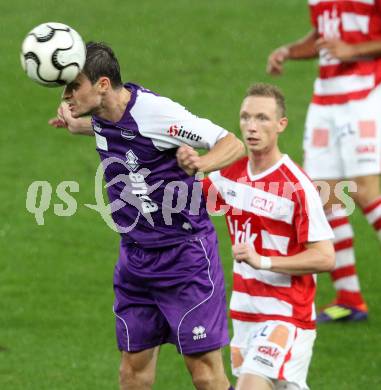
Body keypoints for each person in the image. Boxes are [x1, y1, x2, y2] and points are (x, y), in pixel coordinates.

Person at [48, 41, 245, 390]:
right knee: (132, 373)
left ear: (103, 85)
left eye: (74, 87)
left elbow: (230, 143)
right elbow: (92, 126)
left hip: (184, 256)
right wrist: (71, 117)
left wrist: (201, 163)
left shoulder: (156, 114)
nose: (67, 96)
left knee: (204, 373)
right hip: (135, 258)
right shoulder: (100, 116)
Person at [191, 83, 334, 389]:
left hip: (285, 315)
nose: (251, 127)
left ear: (281, 124)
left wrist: (264, 261)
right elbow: (188, 200)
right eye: (245, 118)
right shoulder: (229, 174)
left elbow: (325, 256)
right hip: (244, 317)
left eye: (262, 118)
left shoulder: (296, 186)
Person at [266, 0, 381, 322]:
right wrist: (289, 50)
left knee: (364, 189)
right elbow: (325, 34)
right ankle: (350, 299)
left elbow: (347, 44)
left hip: (365, 95)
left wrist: (353, 50)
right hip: (326, 99)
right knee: (324, 195)